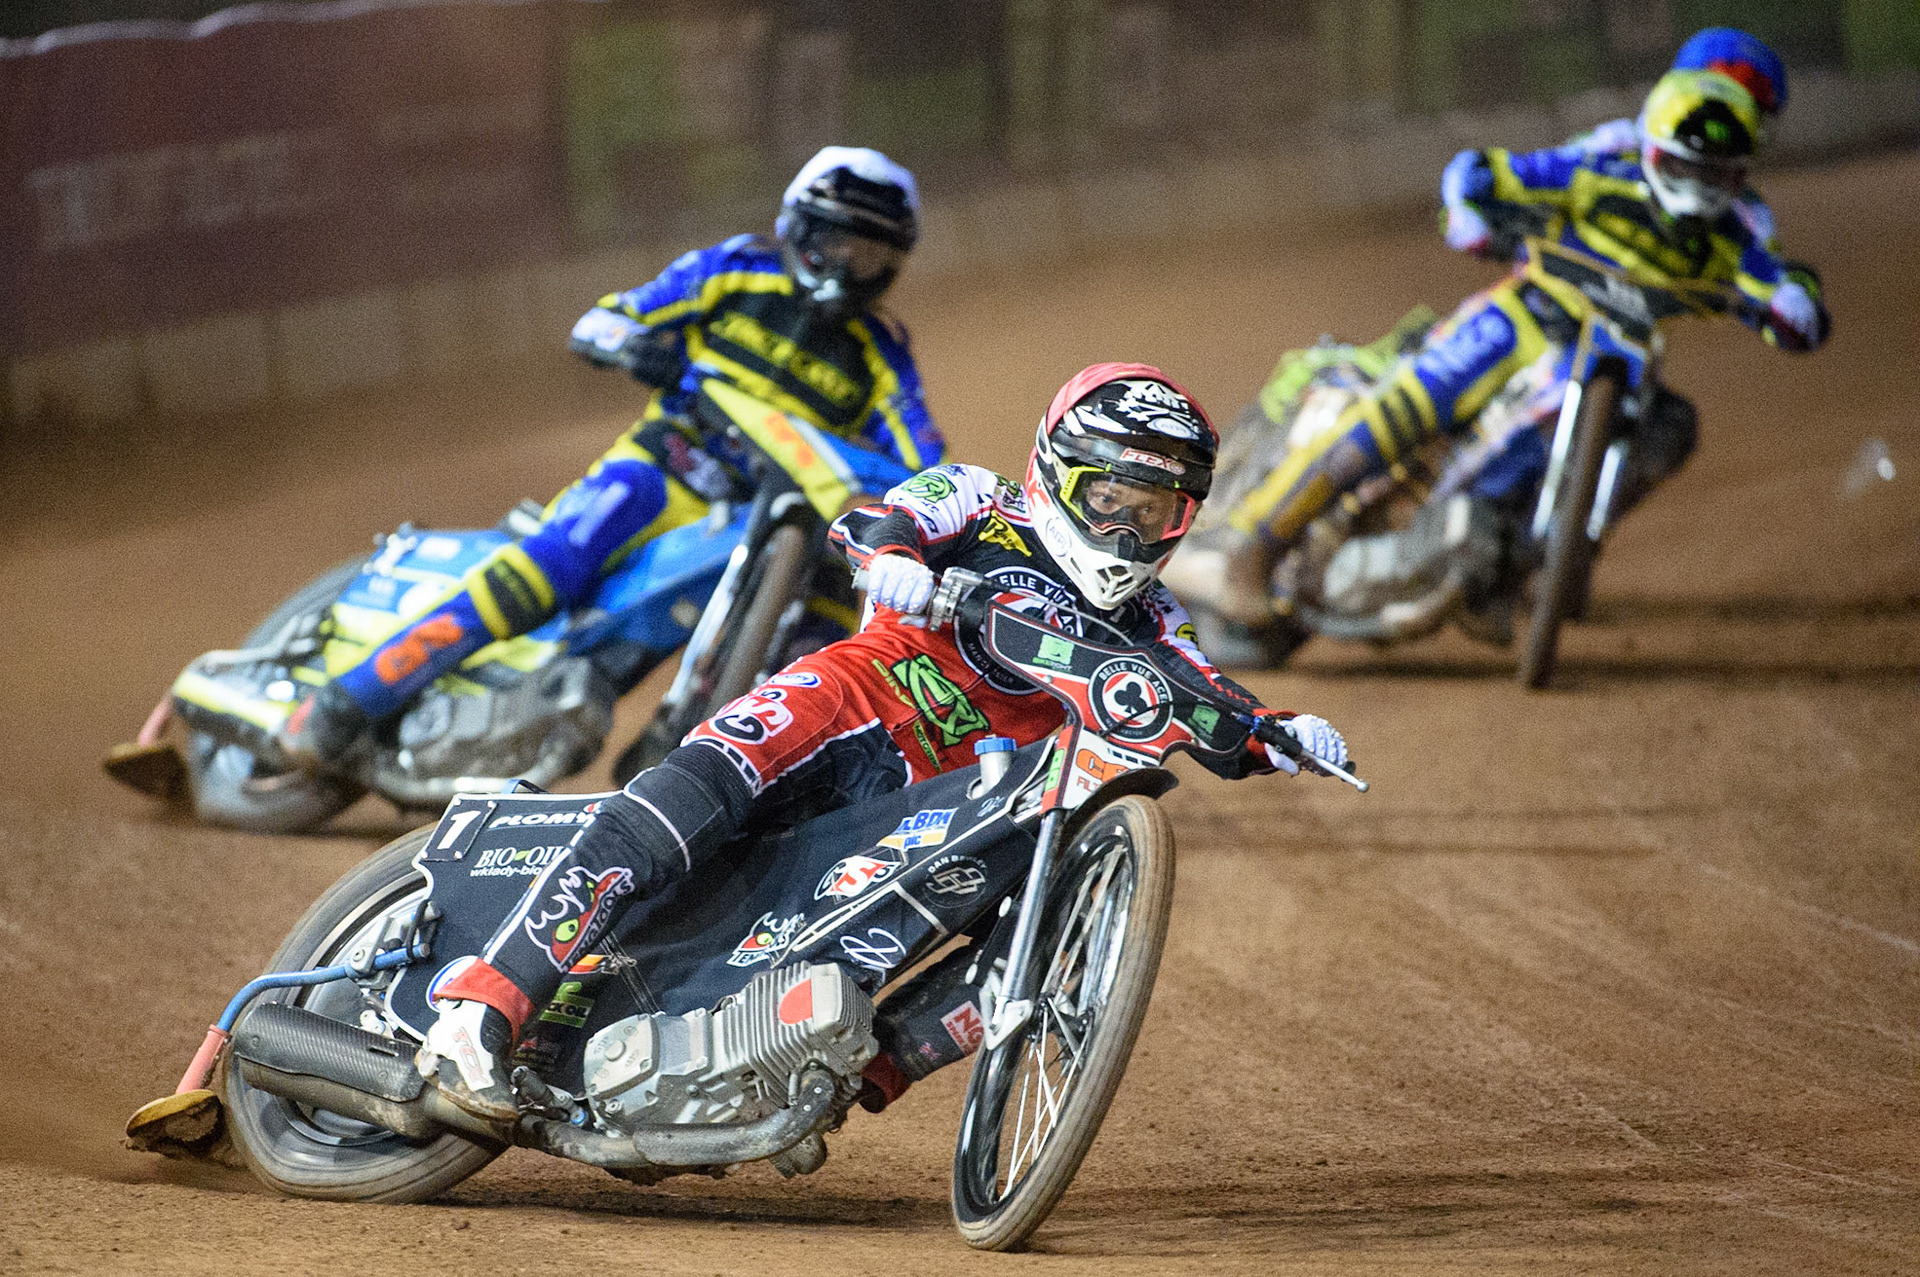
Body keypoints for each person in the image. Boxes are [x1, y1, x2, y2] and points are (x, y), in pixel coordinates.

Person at [409, 363, 1352, 1127]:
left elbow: (1212, 705)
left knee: (1029, 911)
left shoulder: (1159, 621)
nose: (1123, 525)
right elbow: (876, 520)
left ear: (1181, 516)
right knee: (684, 792)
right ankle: (477, 1015)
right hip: (859, 694)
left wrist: (1282, 733)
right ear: (1058, 471)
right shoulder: (983, 502)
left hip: (947, 800)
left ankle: (844, 1077)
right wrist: (898, 564)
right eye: (1107, 494)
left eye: (1150, 509)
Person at [268, 146, 942, 767]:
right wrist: (636, 345)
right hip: (663, 466)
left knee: (825, 604)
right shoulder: (736, 271)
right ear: (798, 228)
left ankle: (707, 756)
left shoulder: (882, 349)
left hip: (758, 520)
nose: (849, 265)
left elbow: (924, 459)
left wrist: (926, 509)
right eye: (836, 241)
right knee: (555, 560)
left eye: (870, 254)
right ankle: (350, 698)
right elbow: (604, 319)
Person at [1163, 68, 1829, 648]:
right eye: (1689, 165)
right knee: (1405, 406)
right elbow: (1488, 171)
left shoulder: (1730, 239)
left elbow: (1779, 282)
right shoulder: (1600, 176)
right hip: (1523, 319)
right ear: (1655, 149)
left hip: (1615, 359)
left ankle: (1515, 573)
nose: (1702, 184)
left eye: (1719, 172)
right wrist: (1473, 209)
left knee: (1661, 430)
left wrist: (1795, 305)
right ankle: (1256, 545)